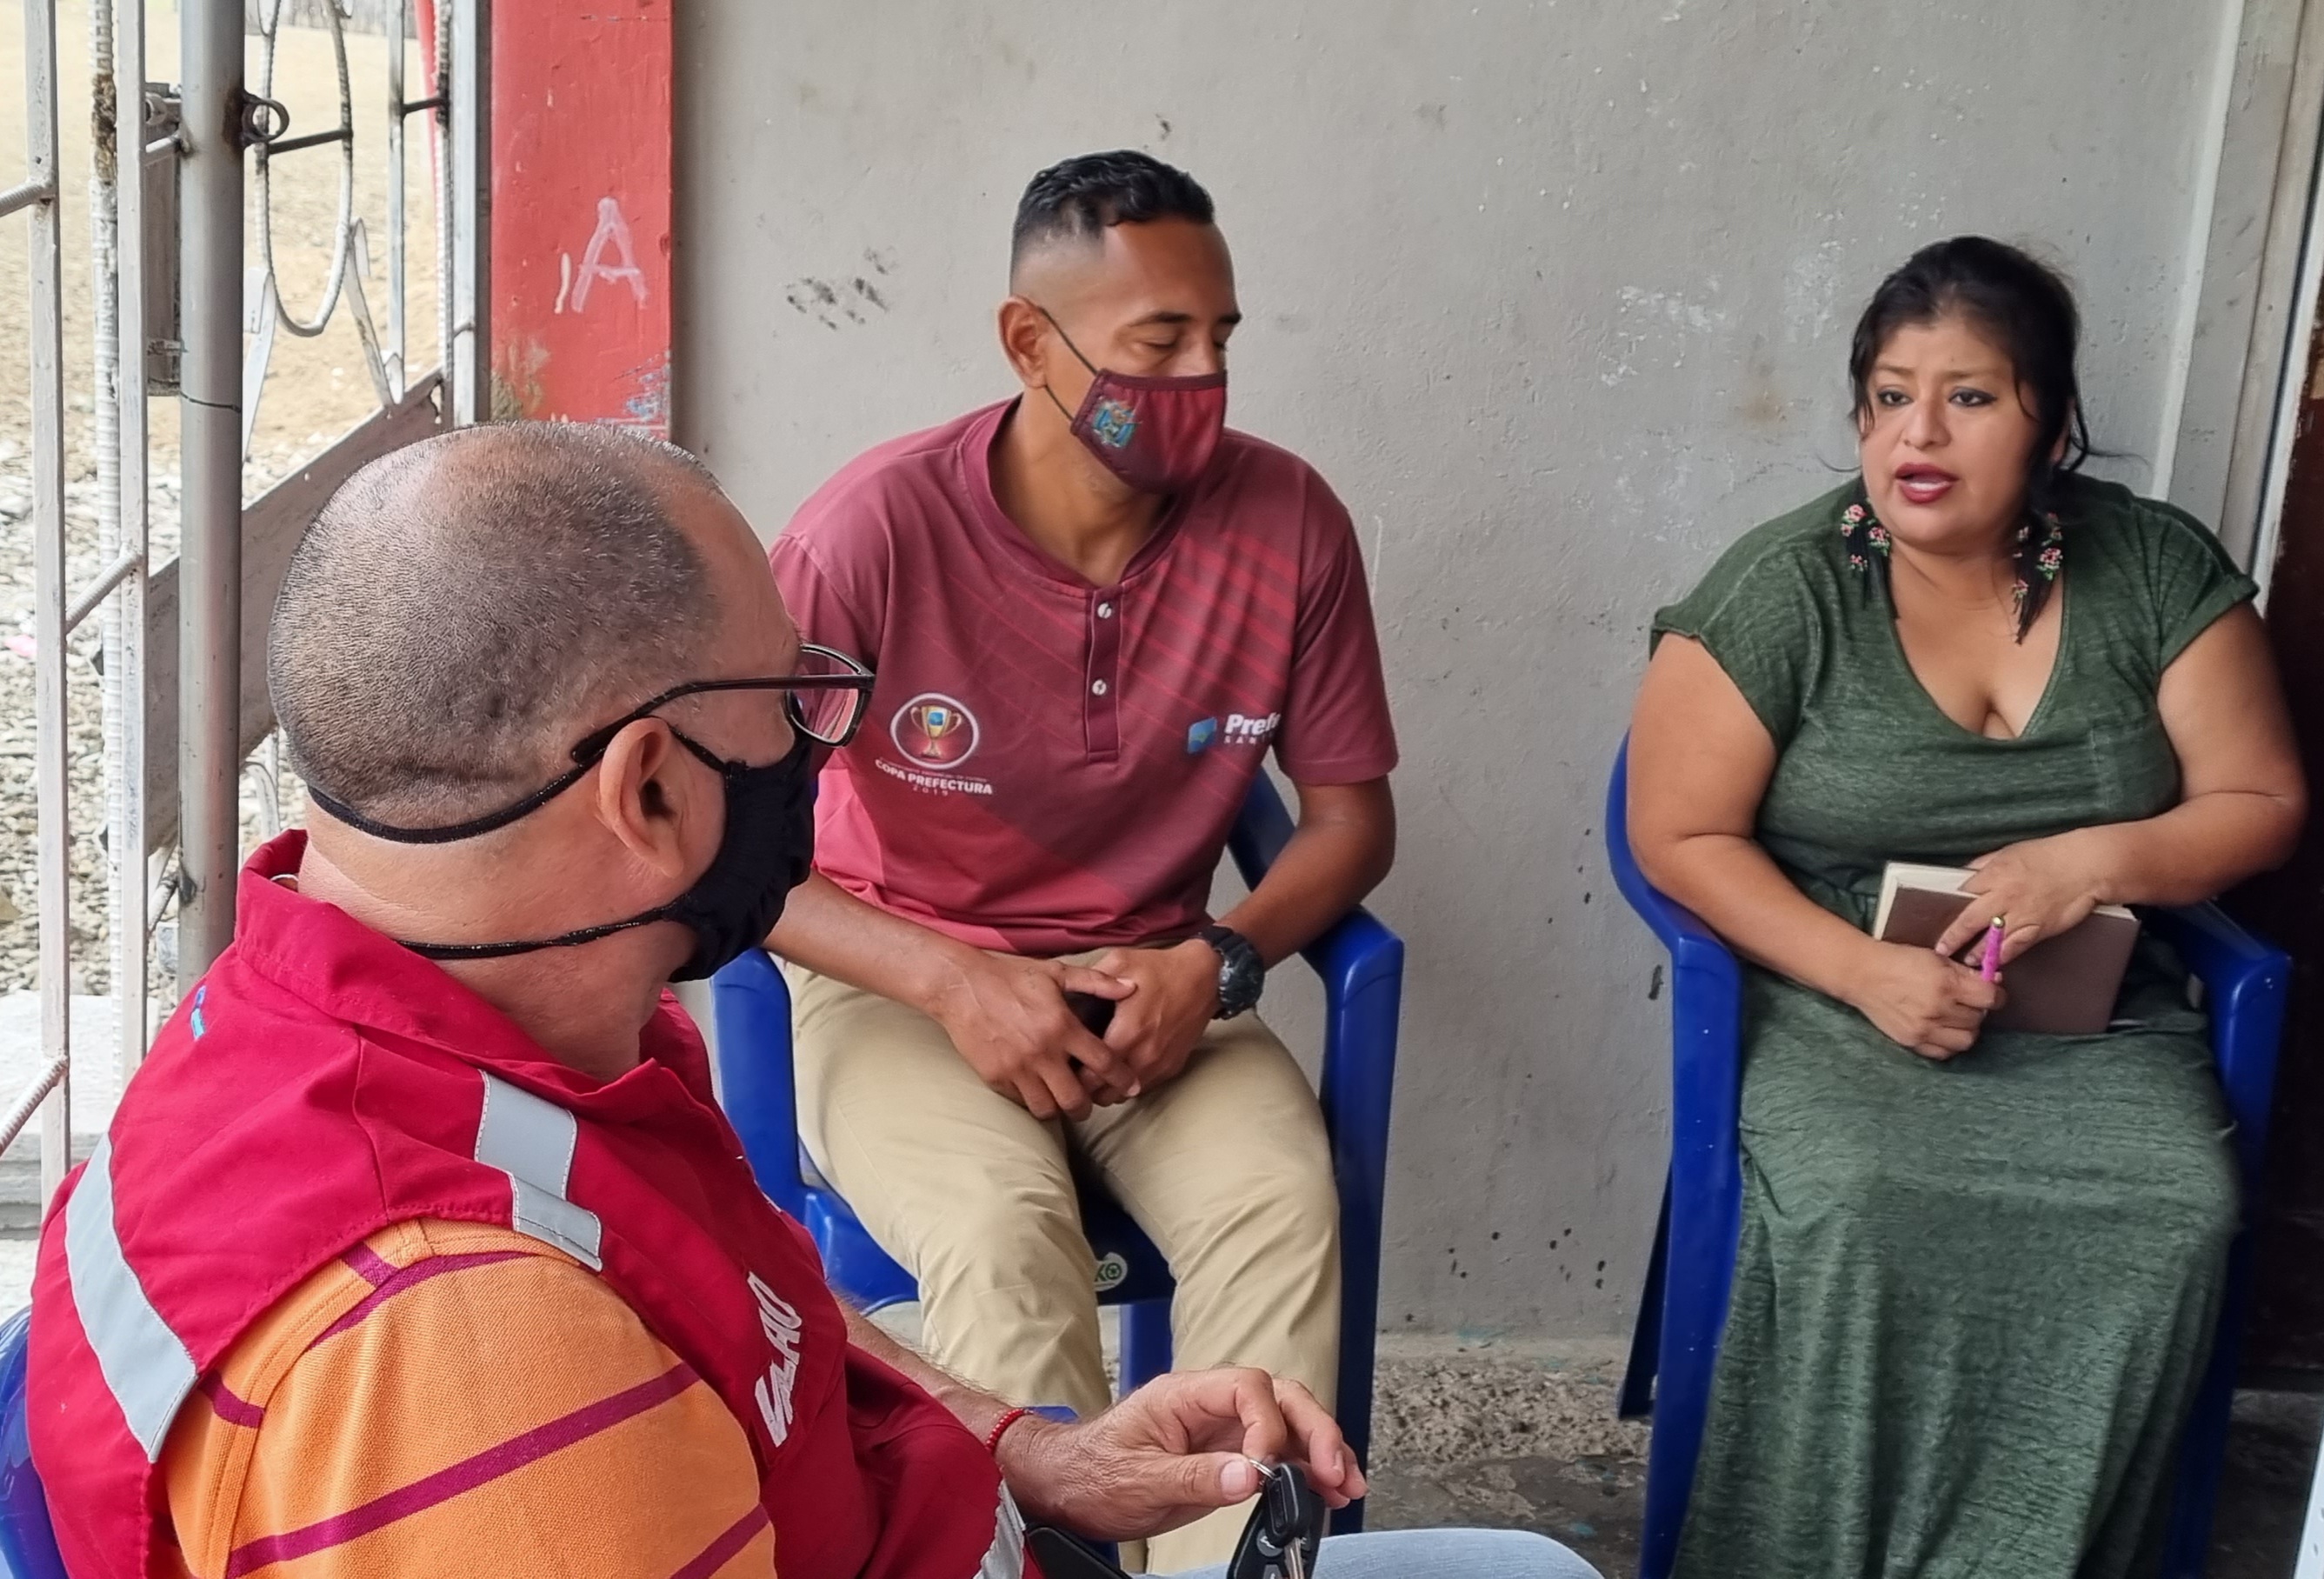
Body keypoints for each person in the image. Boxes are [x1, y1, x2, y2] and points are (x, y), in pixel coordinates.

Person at [28, 425, 1597, 1579]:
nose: (814, 746)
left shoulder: (483, 1030)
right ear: (651, 788)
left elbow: (745, 1300)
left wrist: (1030, 1453)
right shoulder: (465, 1350)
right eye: (790, 703)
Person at [1626, 236, 2307, 1577]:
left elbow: (2259, 800)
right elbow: (1676, 833)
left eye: (1968, 397)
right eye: (1888, 396)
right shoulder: (1787, 588)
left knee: (2175, 1204)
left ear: (2049, 422)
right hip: (1836, 999)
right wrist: (1859, 972)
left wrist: (2090, 863)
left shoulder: (2150, 569)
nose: (1916, 434)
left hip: (2090, 1015)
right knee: (1861, 1198)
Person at [764, 151, 1396, 1569]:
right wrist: (951, 981)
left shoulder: (1288, 522)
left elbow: (1351, 820)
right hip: (905, 985)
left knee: (1279, 1206)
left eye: (1219, 337)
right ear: (1028, 343)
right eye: (1157, 342)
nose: (1201, 377)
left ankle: (1227, 1564)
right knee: (1001, 1234)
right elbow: (729, 847)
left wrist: (1216, 963)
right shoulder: (869, 534)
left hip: (1157, 988)